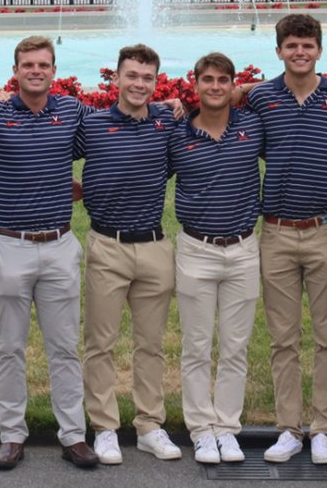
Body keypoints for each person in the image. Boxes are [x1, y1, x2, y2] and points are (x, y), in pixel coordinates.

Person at [0, 35, 99, 470]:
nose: (36, 71)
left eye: (43, 65)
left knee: (64, 346)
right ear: (16, 69)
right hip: (8, 245)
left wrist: (169, 107)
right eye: (28, 65)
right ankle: (11, 435)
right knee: (9, 347)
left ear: (54, 70)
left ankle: (73, 435)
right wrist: (5, 176)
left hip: (60, 245)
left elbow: (109, 135)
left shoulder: (72, 112)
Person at [244, 15, 327, 465]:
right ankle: (288, 427)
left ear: (320, 51)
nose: (300, 52)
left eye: (307, 45)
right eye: (291, 45)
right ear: (279, 51)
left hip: (326, 228)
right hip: (278, 232)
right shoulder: (262, 98)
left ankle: (324, 428)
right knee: (283, 339)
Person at [77, 44, 183, 465]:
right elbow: (48, 153)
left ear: (155, 83)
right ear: (116, 79)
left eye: (147, 78)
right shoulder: (93, 124)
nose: (139, 84)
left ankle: (149, 425)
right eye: (132, 76)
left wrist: (174, 105)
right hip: (107, 246)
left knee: (151, 344)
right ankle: (104, 427)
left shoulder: (166, 122)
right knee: (100, 343)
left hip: (156, 246)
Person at [168, 52, 265, 465]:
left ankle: (227, 428)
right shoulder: (177, 133)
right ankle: (201, 430)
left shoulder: (253, 126)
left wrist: (247, 89)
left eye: (223, 80)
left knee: (235, 347)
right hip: (195, 249)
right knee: (195, 346)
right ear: (195, 84)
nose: (215, 87)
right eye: (207, 80)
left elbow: (280, 87)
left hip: (244, 248)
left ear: (231, 85)